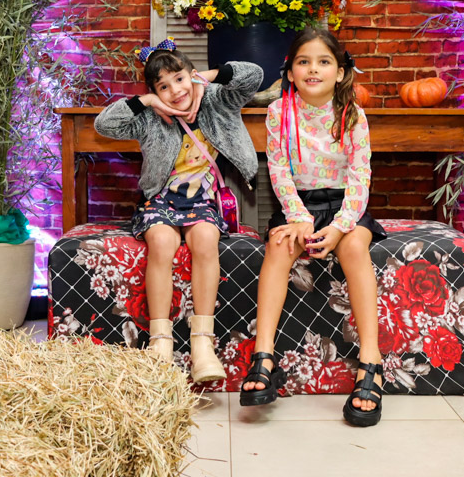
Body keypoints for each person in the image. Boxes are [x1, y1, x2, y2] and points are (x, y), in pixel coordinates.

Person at [239, 28, 387, 426]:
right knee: (278, 246)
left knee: (353, 247)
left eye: (324, 61)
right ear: (290, 72)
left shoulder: (353, 115)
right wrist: (299, 219)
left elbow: (360, 177)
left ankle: (370, 362)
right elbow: (278, 171)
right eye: (304, 62)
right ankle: (264, 356)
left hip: (344, 205)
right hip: (299, 205)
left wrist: (340, 227)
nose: (313, 69)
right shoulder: (278, 113)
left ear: (340, 72)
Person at [94, 38, 262, 382]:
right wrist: (145, 102)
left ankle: (203, 344)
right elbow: (104, 125)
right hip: (160, 200)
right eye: (163, 87)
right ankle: (160, 342)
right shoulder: (149, 117)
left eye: (180, 79)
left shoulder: (218, 100)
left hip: (203, 200)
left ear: (190, 74)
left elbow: (253, 75)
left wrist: (204, 78)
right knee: (161, 242)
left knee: (205, 239)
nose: (175, 91)